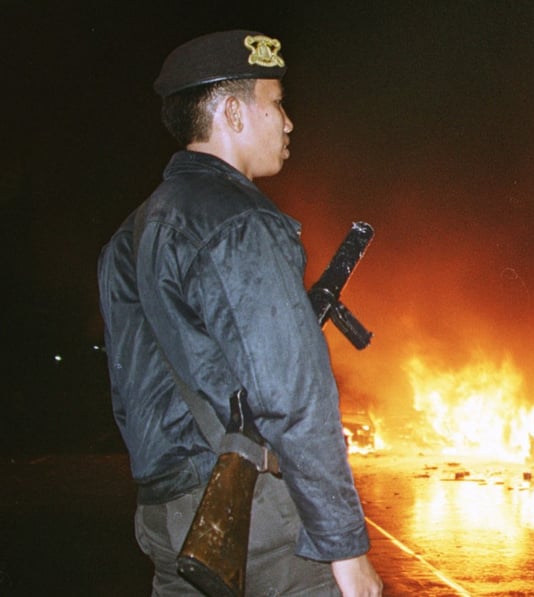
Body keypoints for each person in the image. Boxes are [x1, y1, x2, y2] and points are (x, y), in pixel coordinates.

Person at [97, 30, 383, 596]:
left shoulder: (126, 239)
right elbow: (296, 395)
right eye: (275, 102)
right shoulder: (241, 222)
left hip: (169, 520)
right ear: (232, 112)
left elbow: (131, 400)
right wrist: (345, 549)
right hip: (259, 527)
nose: (289, 121)